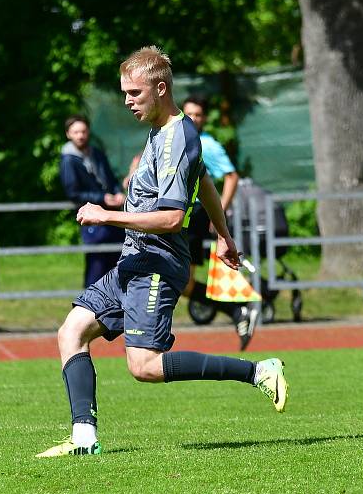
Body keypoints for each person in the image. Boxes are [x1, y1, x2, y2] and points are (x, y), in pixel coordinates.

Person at [36, 46, 287, 458]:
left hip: (157, 262)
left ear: (161, 88)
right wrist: (222, 234)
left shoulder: (178, 136)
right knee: (71, 331)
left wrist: (108, 214)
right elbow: (203, 179)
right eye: (124, 93)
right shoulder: (162, 132)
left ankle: (260, 371)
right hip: (134, 259)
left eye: (134, 93)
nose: (127, 101)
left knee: (145, 367)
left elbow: (171, 218)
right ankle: (84, 439)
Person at [181, 95, 257, 350]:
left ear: (204, 119)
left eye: (199, 114)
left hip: (194, 215)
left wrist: (218, 214)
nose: (193, 118)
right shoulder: (174, 138)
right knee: (181, 282)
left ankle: (138, 333)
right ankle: (238, 312)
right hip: (177, 214)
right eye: (189, 113)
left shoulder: (208, 145)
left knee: (177, 279)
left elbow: (232, 176)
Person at [59, 115, 126, 287]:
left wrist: (117, 193)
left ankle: (114, 309)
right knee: (96, 268)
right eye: (76, 132)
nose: (80, 135)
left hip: (111, 215)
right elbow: (73, 193)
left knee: (117, 264)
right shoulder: (68, 160)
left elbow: (110, 178)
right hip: (91, 221)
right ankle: (89, 309)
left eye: (83, 131)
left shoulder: (97, 153)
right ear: (68, 134)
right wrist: (102, 198)